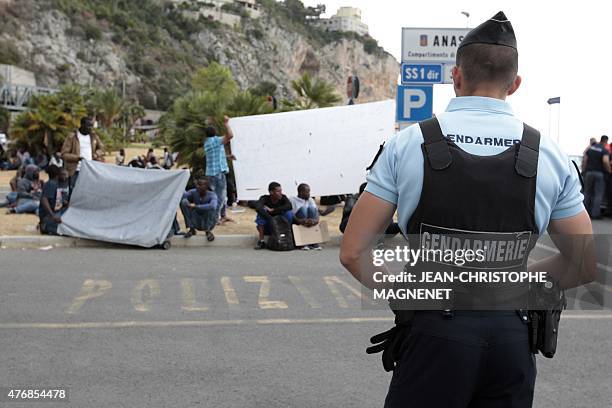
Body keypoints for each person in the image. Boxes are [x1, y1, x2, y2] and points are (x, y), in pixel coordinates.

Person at [340, 12, 594, 408]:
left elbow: (353, 252)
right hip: (512, 336)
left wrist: (409, 293)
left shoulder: (407, 145)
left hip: (433, 333)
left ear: (456, 77)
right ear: (515, 84)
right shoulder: (550, 154)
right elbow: (583, 263)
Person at [61, 116, 105, 190]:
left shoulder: (94, 136)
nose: (91, 128)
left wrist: (96, 154)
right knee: (75, 192)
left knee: (90, 191)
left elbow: (102, 149)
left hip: (90, 170)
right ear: (82, 125)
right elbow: (64, 154)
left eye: (92, 126)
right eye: (88, 126)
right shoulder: (72, 137)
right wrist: (77, 158)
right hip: (76, 170)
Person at [204, 116, 233, 224]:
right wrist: (226, 123)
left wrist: (228, 156)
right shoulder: (216, 141)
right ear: (214, 133)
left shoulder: (207, 142)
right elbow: (230, 135)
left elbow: (215, 156)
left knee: (219, 195)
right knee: (220, 197)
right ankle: (216, 219)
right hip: (218, 173)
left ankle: (223, 215)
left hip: (212, 173)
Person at [254, 182, 293, 250]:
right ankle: (261, 241)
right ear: (271, 192)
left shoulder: (283, 198)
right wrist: (270, 218)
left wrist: (273, 210)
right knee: (260, 214)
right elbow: (258, 207)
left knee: (289, 213)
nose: (280, 193)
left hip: (280, 226)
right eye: (278, 191)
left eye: (281, 191)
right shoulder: (264, 198)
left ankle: (287, 237)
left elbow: (289, 206)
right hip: (269, 225)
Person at [583, 135, 611, 219]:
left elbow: (585, 160)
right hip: (599, 173)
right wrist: (609, 171)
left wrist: (584, 170)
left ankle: (584, 213)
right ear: (606, 141)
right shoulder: (604, 150)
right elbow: (605, 161)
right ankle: (595, 214)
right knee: (598, 194)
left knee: (587, 192)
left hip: (589, 173)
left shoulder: (591, 148)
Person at [38, 165, 70, 235]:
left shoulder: (55, 184)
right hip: (50, 216)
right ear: (57, 175)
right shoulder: (51, 184)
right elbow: (44, 200)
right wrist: (52, 216)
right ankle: (45, 226)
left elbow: (56, 200)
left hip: (56, 212)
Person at [290, 183, 321, 250]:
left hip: (310, 221)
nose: (309, 194)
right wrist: (299, 220)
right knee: (303, 209)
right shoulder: (293, 200)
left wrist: (316, 220)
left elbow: (316, 212)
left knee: (312, 208)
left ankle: (314, 242)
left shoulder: (310, 199)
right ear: (301, 192)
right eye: (307, 192)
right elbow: (291, 214)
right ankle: (304, 243)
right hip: (298, 220)